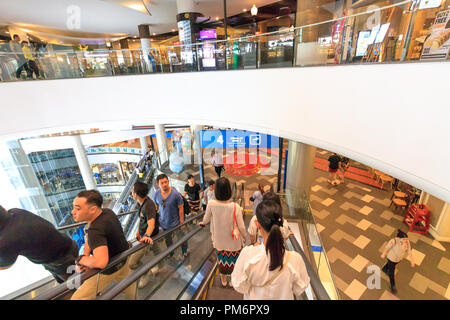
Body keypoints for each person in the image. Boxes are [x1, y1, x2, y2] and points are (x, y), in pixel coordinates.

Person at [231, 200, 310, 300]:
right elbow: (300, 288)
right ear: (282, 221)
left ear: (258, 225)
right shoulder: (295, 259)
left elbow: (239, 285)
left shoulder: (248, 255)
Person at [70, 190, 136, 300]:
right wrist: (86, 253)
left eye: (77, 208)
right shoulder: (107, 212)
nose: (73, 212)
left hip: (109, 269)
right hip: (123, 259)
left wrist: (80, 260)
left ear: (93, 209)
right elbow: (90, 239)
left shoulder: (95, 230)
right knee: (129, 285)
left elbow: (101, 262)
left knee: (78, 298)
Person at [0, 205, 79, 284]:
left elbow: (5, 265)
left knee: (78, 288)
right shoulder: (16, 212)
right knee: (75, 282)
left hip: (61, 261)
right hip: (68, 244)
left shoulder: (7, 240)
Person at [199, 177, 247, 287]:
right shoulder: (236, 207)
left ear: (216, 191)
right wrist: (244, 236)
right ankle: (231, 280)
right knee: (233, 262)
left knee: (222, 261)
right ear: (229, 191)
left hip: (219, 241)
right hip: (234, 243)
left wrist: (202, 223)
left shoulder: (211, 204)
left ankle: (223, 279)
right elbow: (242, 227)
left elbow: (205, 219)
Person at [128, 182, 161, 288]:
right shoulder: (140, 202)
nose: (131, 192)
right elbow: (141, 218)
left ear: (136, 194)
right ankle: (162, 265)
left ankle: (147, 273)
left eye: (133, 190)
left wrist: (146, 236)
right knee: (157, 251)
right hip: (145, 236)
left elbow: (151, 224)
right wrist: (138, 231)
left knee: (132, 263)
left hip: (148, 238)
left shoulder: (149, 205)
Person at [153, 174, 188, 259]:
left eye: (166, 182)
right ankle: (171, 254)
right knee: (168, 240)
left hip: (176, 223)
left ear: (168, 182)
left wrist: (182, 223)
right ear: (158, 184)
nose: (164, 184)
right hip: (164, 223)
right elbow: (156, 206)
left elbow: (181, 209)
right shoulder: (156, 194)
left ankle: (185, 251)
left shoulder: (175, 194)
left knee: (181, 238)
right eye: (162, 183)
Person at [380, 229, 415, 294]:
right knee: (391, 272)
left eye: (406, 239)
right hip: (391, 258)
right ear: (399, 238)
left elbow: (409, 250)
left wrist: (412, 260)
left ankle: (384, 268)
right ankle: (392, 285)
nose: (405, 241)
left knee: (391, 265)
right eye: (403, 240)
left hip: (398, 259)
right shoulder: (394, 241)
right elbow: (387, 247)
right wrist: (384, 253)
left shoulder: (407, 241)